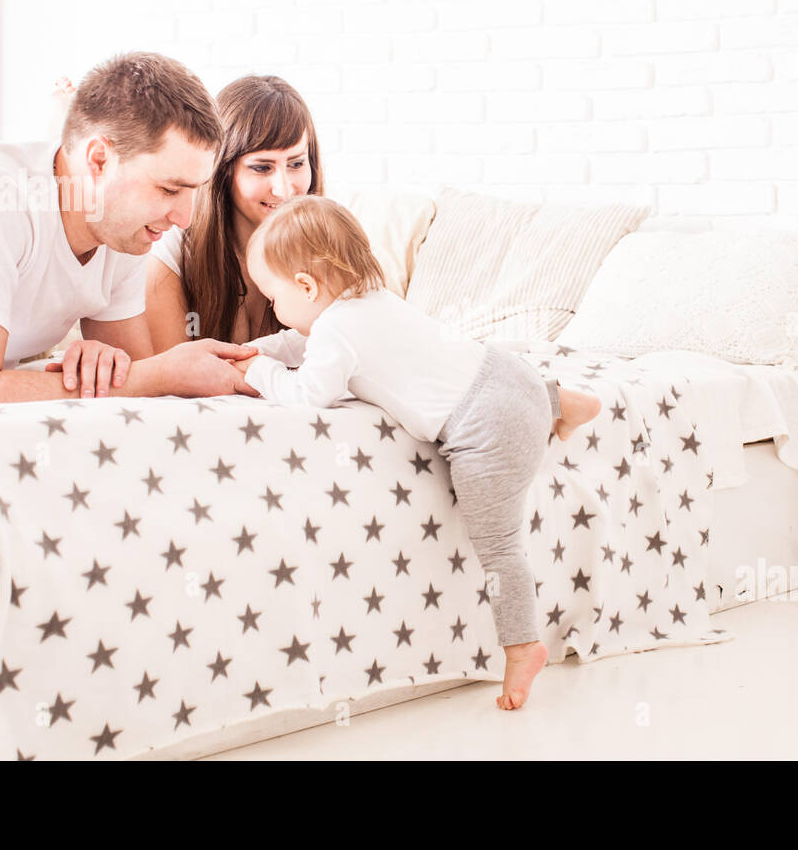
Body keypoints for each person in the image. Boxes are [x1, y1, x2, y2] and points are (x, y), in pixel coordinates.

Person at [237, 195, 594, 709]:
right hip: (511, 376)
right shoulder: (370, 300)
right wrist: (263, 348)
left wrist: (256, 372)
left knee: (499, 547)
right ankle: (564, 404)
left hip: (485, 429)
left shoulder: (336, 331)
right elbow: (305, 341)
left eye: (273, 298)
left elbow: (309, 392)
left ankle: (522, 645)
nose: (274, 310)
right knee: (504, 387)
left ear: (307, 286)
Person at [140, 73, 600, 439]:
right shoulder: (173, 256)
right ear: (222, 171)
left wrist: (257, 368)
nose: (285, 189)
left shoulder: (326, 242)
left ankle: (544, 400)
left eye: (297, 163)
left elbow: (386, 350)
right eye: (262, 167)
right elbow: (181, 377)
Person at [0, 52, 259, 403]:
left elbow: (129, 382)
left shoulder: (124, 230)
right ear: (98, 160)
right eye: (169, 189)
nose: (184, 219)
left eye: (193, 192)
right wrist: (157, 375)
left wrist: (107, 364)